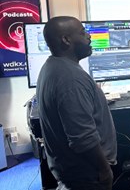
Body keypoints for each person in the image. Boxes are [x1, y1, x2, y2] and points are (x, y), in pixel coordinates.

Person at [37, 16, 117, 190]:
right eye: (83, 33)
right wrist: (104, 170)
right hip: (87, 175)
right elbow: (83, 138)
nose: (89, 37)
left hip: (70, 171)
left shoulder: (52, 66)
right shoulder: (71, 79)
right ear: (66, 40)